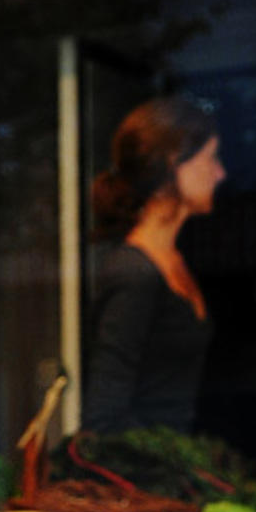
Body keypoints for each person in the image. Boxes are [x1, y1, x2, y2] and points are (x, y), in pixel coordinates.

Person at [81, 96, 226, 434]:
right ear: (175, 161)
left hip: (180, 464)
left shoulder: (173, 260)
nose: (221, 173)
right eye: (211, 158)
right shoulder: (134, 274)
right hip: (149, 475)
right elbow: (104, 417)